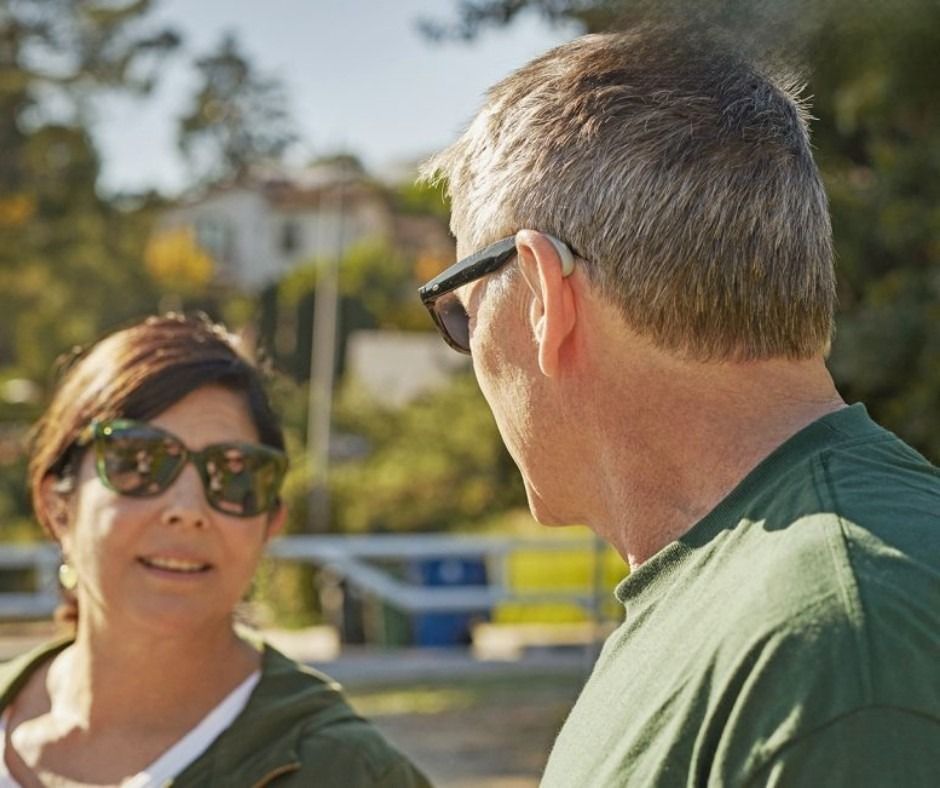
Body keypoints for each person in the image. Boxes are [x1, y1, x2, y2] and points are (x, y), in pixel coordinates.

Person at [417, 25, 940, 787]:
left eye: (462, 309)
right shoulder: (778, 607)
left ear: (541, 294)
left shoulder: (832, 643)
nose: (471, 355)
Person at [1, 314, 430, 787]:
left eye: (235, 473)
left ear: (270, 524)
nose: (188, 509)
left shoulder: (348, 773)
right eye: (140, 461)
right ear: (57, 505)